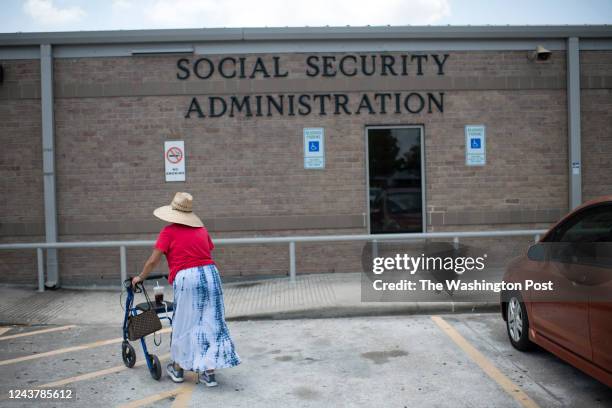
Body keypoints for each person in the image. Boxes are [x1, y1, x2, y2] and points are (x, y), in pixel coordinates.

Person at [132, 192, 241, 386]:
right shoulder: (201, 230)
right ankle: (209, 372)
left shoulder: (169, 232)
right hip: (210, 275)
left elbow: (153, 260)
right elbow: (206, 251)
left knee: (184, 323)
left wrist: (140, 277)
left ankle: (178, 369)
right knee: (210, 322)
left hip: (188, 278)